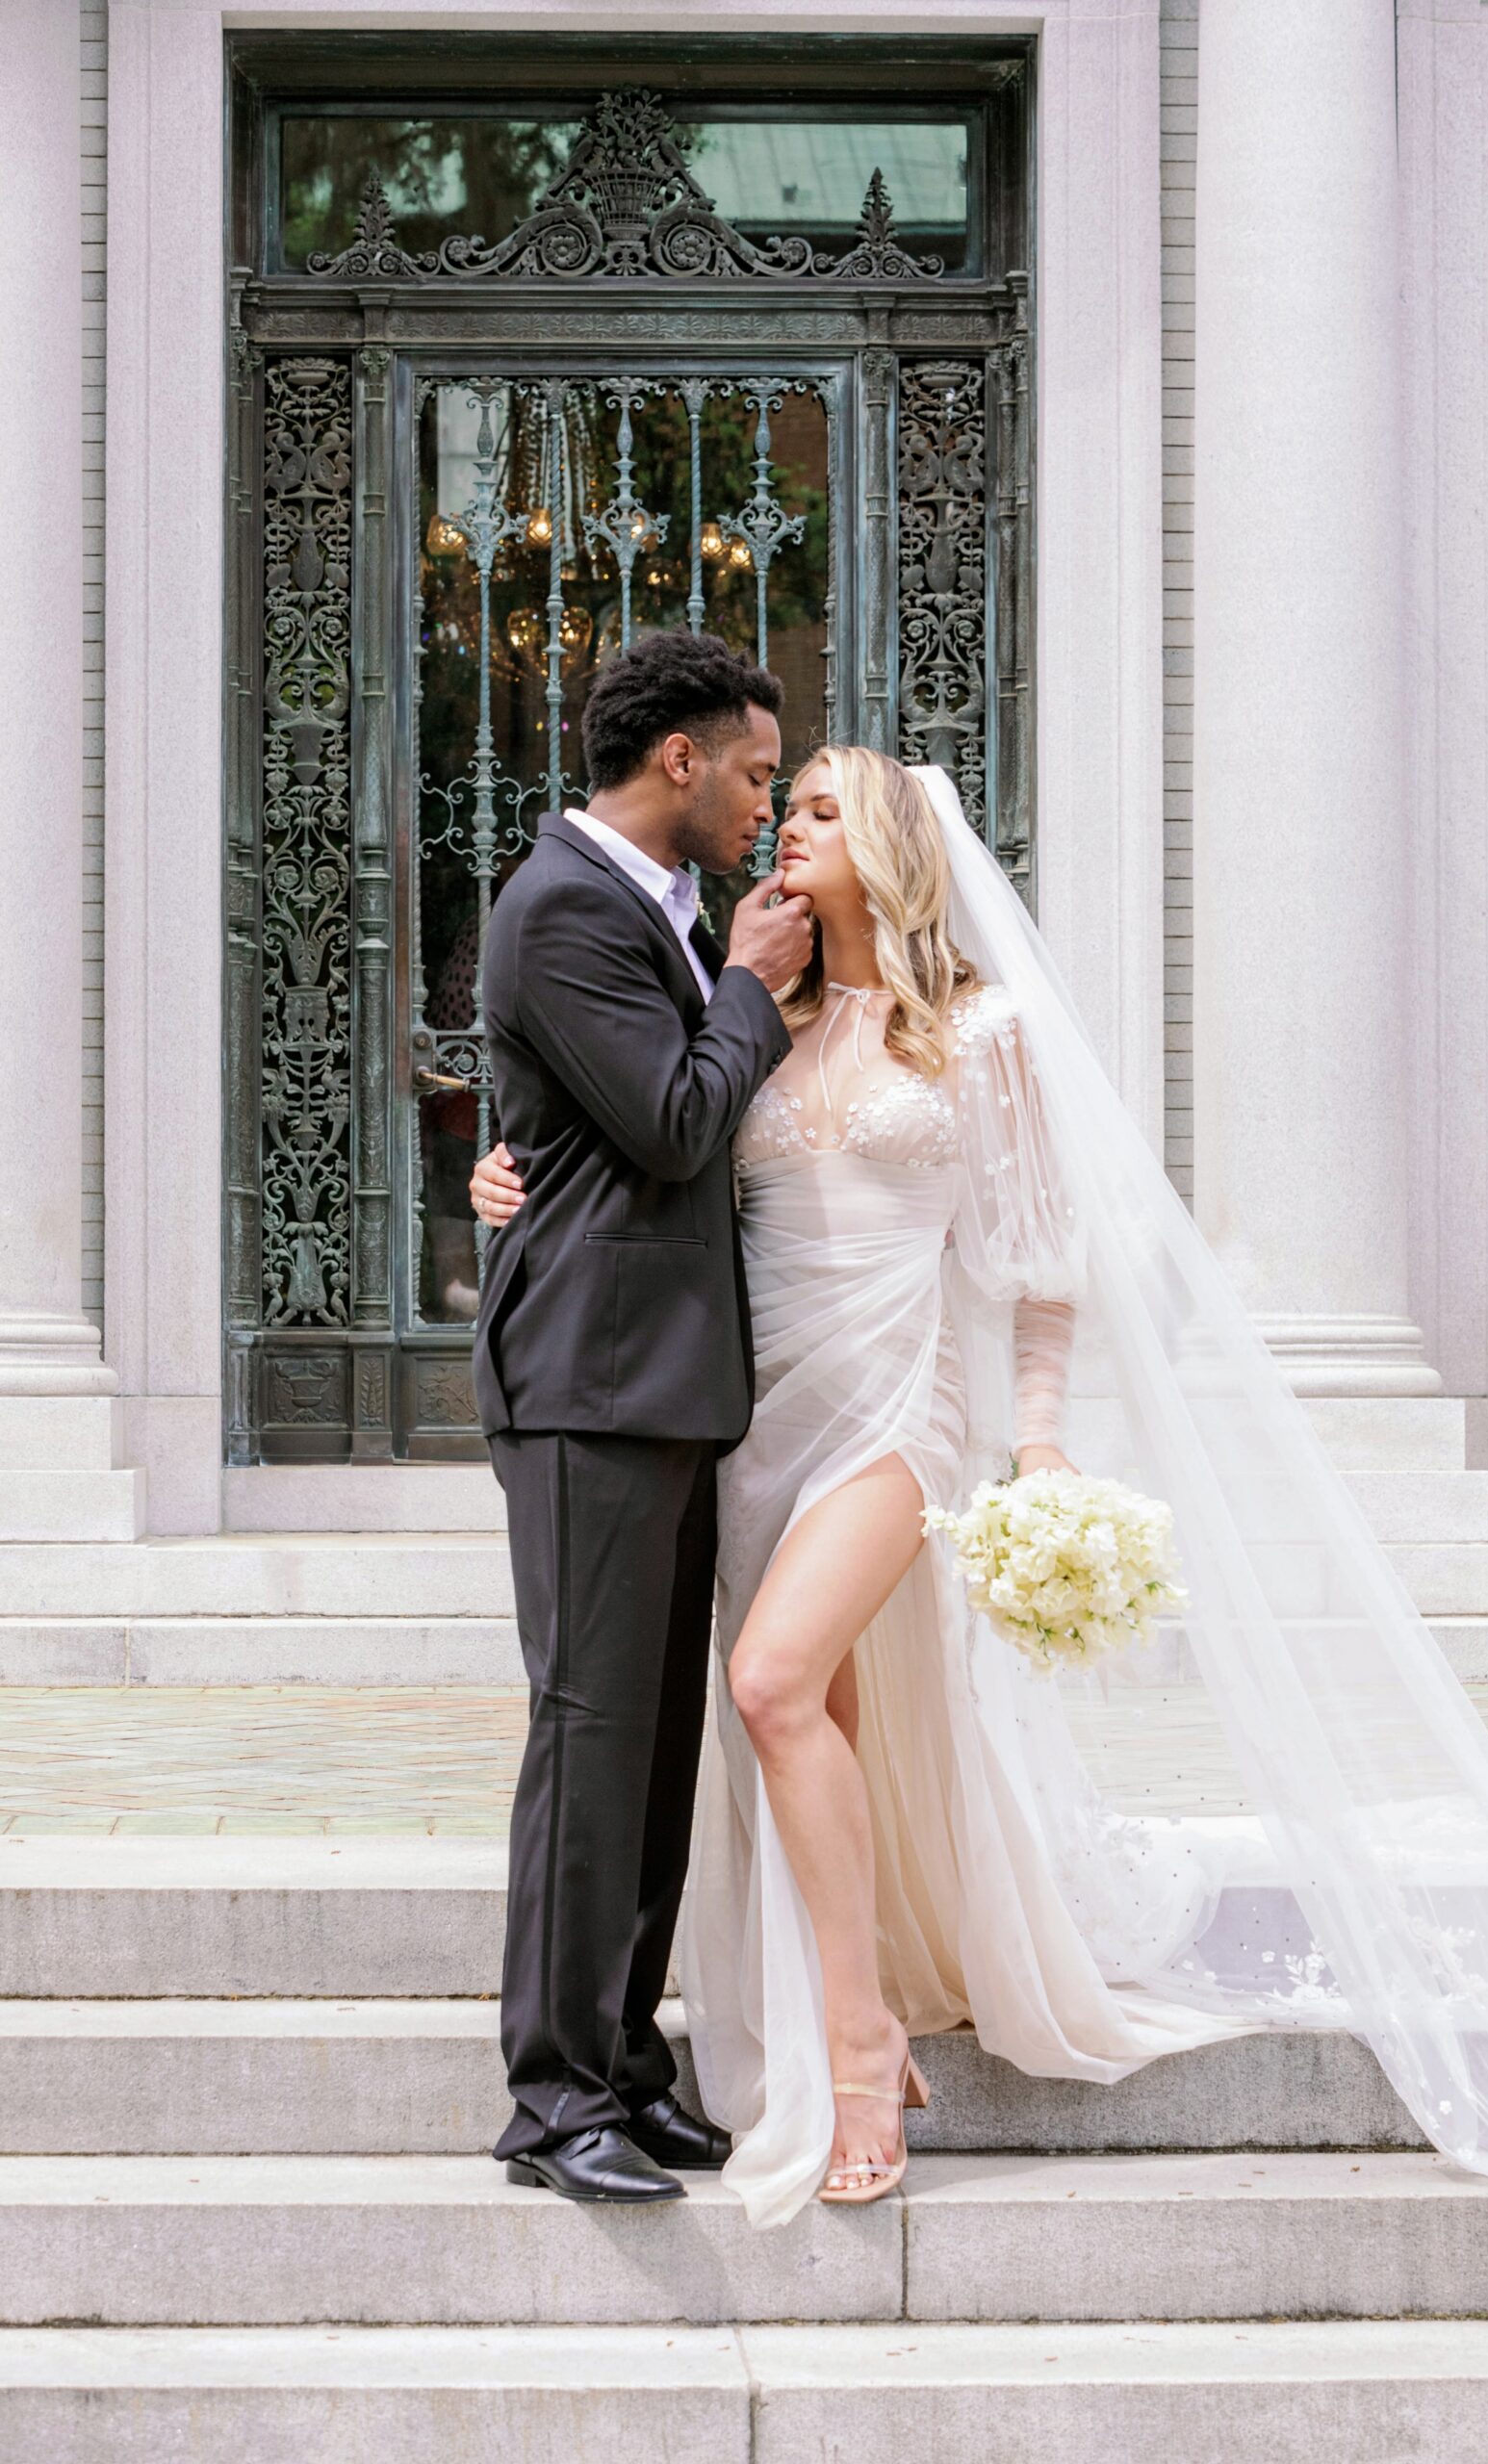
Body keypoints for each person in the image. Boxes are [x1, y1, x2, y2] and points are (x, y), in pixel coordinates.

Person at [475, 746, 1488, 2251]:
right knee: (811, 1713)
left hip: (900, 1411)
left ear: (893, 846)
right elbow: (651, 1139)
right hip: (757, 1422)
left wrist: (1034, 1445)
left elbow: (1039, 1271)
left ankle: (858, 2057)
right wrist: (504, 1175)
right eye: (783, 795)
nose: (781, 826)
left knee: (768, 1687)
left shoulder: (985, 1031)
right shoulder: (757, 1012)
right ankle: (842, 2007)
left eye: (817, 808)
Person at [474, 628, 813, 2204]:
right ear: (676, 759)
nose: (766, 798)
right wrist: (749, 984)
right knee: (590, 1735)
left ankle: (625, 2061)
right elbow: (675, 1123)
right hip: (592, 1385)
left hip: (662, 1381)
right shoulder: (559, 906)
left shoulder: (649, 909)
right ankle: (551, 2104)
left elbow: (580, 1124)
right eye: (753, 769)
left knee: (654, 1743)